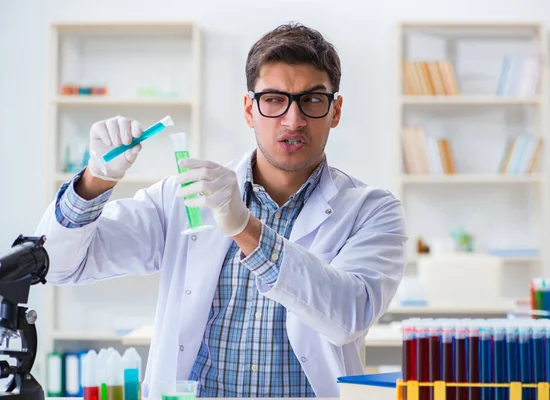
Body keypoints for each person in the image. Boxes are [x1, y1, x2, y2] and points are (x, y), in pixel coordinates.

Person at [35, 22, 408, 398]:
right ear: (249, 109)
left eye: (312, 100)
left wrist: (245, 228)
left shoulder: (371, 210)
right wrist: (95, 181)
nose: (292, 120)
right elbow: (62, 265)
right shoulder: (183, 197)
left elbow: (349, 316)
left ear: (335, 110)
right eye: (274, 99)